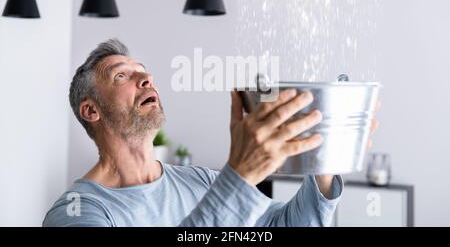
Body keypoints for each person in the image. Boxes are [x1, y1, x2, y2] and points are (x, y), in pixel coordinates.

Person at [43, 39, 378, 227]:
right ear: (91, 110)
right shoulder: (78, 211)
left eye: (144, 73)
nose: (145, 80)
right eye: (121, 76)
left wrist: (321, 160)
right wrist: (240, 175)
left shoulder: (200, 183)